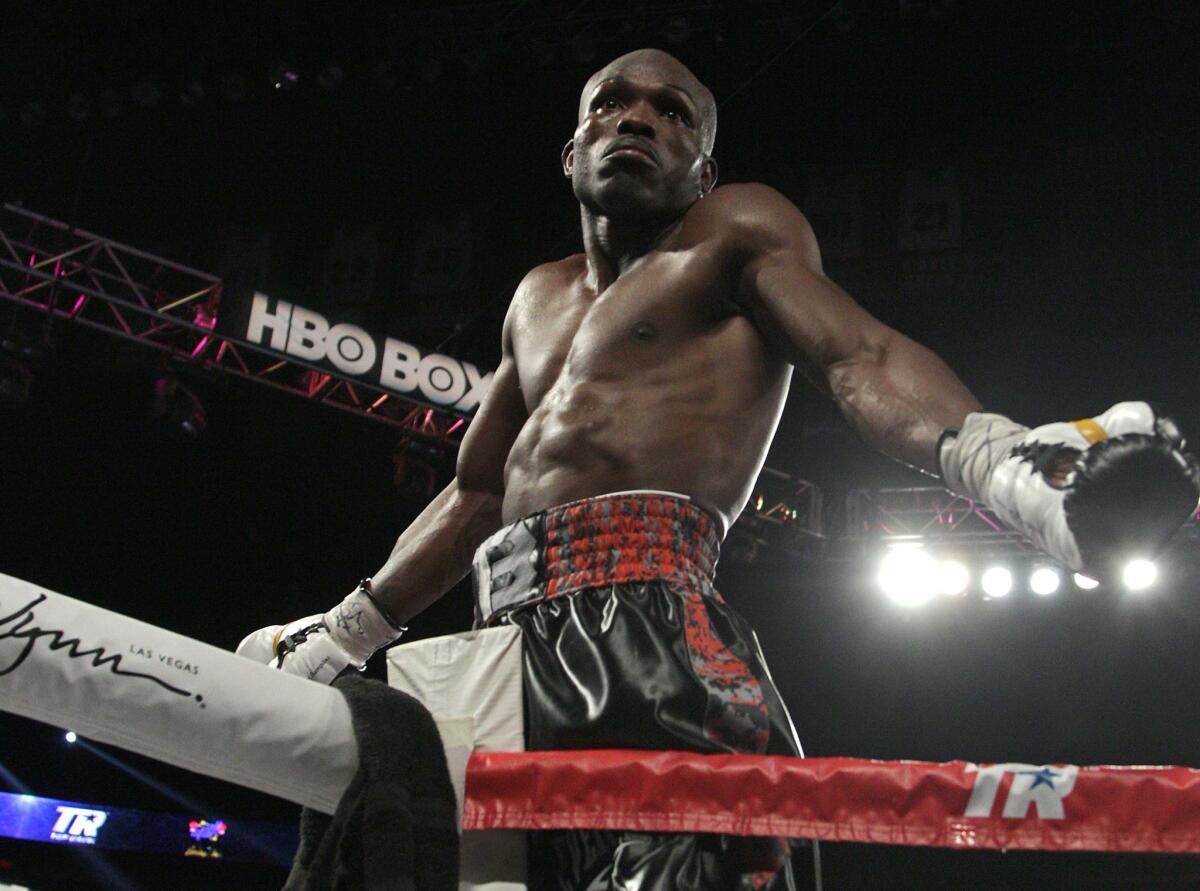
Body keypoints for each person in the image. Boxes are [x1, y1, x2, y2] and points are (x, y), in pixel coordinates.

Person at [238, 49, 1199, 889]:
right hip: (495, 653)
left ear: (704, 166)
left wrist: (994, 455)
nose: (640, 118)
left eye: (673, 111)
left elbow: (854, 356)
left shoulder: (732, 233)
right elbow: (478, 491)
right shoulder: (535, 299)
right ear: (573, 150)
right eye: (614, 102)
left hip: (651, 631)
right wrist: (345, 632)